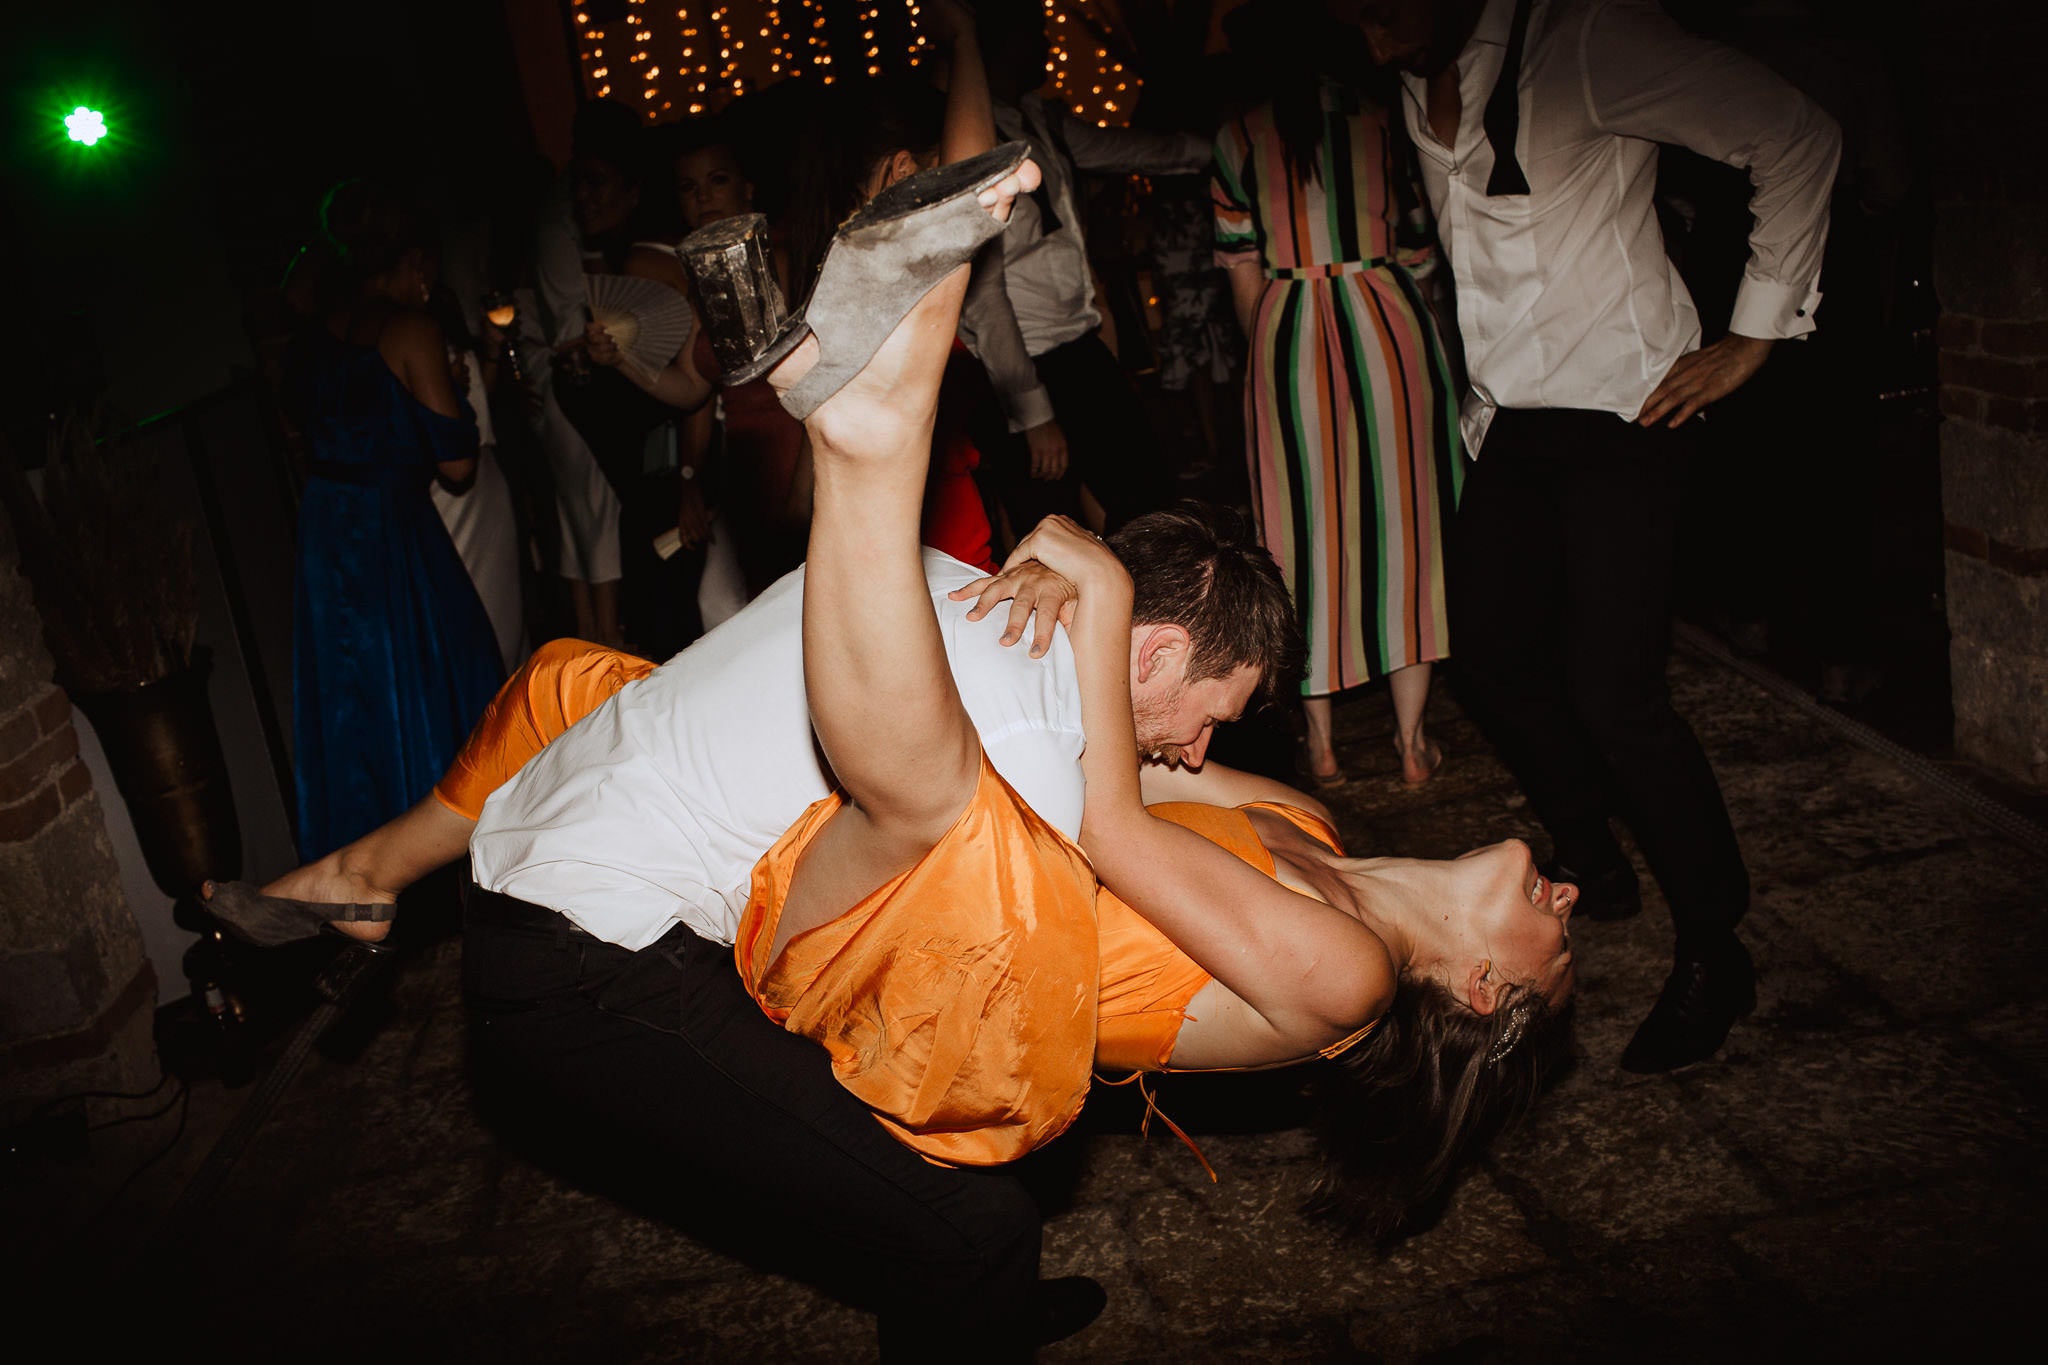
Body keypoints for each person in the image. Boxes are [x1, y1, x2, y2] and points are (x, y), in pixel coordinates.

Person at [1348, 0, 1841, 1071]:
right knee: (1487, 653)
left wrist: (1753, 332)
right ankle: (1590, 849)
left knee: (1615, 694)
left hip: (1628, 411)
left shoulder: (1585, 39)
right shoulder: (1406, 69)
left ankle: (1716, 944)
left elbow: (1796, 135)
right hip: (1510, 423)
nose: (1363, 23)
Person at [1215, 2, 1465, 786]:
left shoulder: (1238, 135)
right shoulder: (1381, 116)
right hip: (1386, 321)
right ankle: (1412, 742)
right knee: (1408, 525)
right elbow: (1423, 256)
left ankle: (1320, 745)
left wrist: (1277, 363)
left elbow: (1244, 279)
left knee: (1298, 535)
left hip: (1291, 328)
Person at [283, 180, 505, 861]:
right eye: (429, 269)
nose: (432, 284)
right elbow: (459, 467)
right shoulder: (410, 329)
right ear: (410, 261)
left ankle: (364, 862)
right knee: (442, 676)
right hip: (391, 526)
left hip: (324, 525)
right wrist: (458, 393)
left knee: (353, 696)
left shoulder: (310, 341)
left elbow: (303, 431)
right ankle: (453, 848)